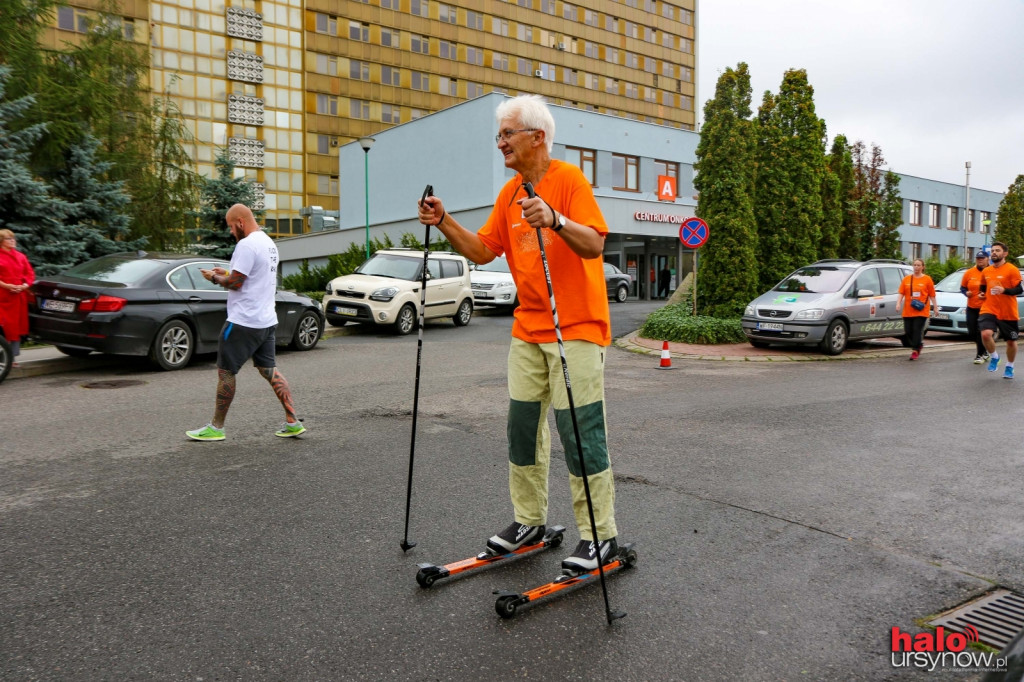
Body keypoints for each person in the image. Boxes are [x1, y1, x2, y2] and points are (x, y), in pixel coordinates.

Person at [416, 94, 621, 576]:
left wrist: (555, 218)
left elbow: (594, 243)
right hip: (528, 329)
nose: (500, 141)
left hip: (577, 329)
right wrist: (444, 221)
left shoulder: (568, 180)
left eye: (508, 133)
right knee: (523, 430)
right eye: (499, 134)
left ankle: (599, 535)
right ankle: (529, 522)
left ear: (537, 136)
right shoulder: (509, 193)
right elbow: (484, 250)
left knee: (579, 432)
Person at [186, 203, 306, 441]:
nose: (231, 232)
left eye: (232, 227)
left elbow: (236, 283)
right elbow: (248, 276)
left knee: (226, 373)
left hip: (243, 322)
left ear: (240, 222)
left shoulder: (246, 244)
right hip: (266, 321)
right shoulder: (268, 244)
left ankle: (216, 428)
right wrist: (227, 272)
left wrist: (214, 277)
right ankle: (293, 421)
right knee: (269, 370)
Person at [978, 241, 1023, 379]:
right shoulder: (986, 270)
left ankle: (1010, 366)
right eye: (992, 250)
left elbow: (1019, 289)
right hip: (989, 308)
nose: (994, 253)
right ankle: (994, 357)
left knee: (1010, 342)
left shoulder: (1012, 269)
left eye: (997, 250)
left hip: (1007, 311)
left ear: (1005, 253)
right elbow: (983, 287)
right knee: (985, 334)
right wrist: (981, 293)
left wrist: (1004, 290)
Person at [0, 229, 35, 365]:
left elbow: (29, 273)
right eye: (9, 239)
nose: (12, 241)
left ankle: (12, 357)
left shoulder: (20, 256)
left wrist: (24, 285)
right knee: (4, 327)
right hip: (3, 297)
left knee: (16, 327)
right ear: (1, 241)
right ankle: (4, 356)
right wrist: (7, 286)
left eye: (13, 238)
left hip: (18, 297)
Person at [896, 258, 936, 361]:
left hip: (921, 310)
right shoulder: (907, 279)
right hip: (908, 310)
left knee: (917, 330)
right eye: (915, 265)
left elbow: (932, 295)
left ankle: (915, 350)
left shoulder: (927, 279)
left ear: (923, 267)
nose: (916, 267)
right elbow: (901, 292)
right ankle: (919, 344)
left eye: (919, 265)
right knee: (908, 331)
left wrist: (935, 307)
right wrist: (898, 303)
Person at [961, 250, 990, 364]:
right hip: (972, 306)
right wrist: (966, 292)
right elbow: (963, 287)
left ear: (987, 259)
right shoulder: (969, 272)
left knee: (980, 331)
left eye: (982, 258)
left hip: (986, 307)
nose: (980, 260)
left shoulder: (990, 272)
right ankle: (985, 351)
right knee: (972, 331)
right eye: (978, 258)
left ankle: (979, 355)